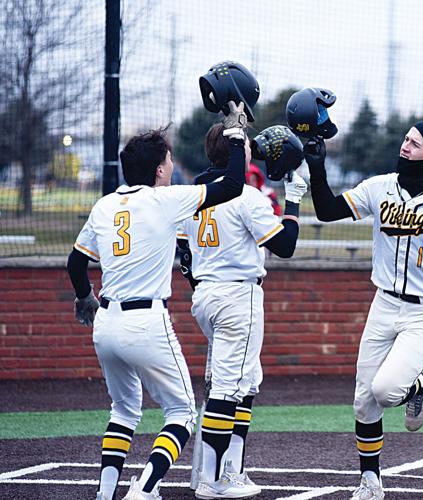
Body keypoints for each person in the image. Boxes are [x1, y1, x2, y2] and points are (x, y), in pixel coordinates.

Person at [66, 103, 249, 500]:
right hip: (146, 322)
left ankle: (106, 493)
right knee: (182, 413)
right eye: (167, 160)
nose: (170, 166)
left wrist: (85, 297)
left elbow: (76, 262)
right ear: (159, 170)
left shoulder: (104, 204)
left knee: (123, 411)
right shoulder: (165, 200)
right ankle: (145, 489)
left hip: (106, 323)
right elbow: (232, 186)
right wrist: (235, 137)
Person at [307, 121, 423, 500]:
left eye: (415, 143)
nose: (405, 146)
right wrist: (317, 167)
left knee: (387, 391)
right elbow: (327, 211)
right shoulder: (380, 188)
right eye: (406, 139)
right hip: (385, 302)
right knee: (363, 398)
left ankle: (421, 382)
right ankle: (371, 482)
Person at [177, 123, 307, 499]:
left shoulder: (192, 193)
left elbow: (184, 255)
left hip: (206, 295)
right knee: (230, 386)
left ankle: (230, 470)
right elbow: (284, 246)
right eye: (247, 146)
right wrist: (294, 202)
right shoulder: (247, 197)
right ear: (237, 151)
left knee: (245, 382)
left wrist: (203, 285)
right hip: (238, 296)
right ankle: (213, 480)